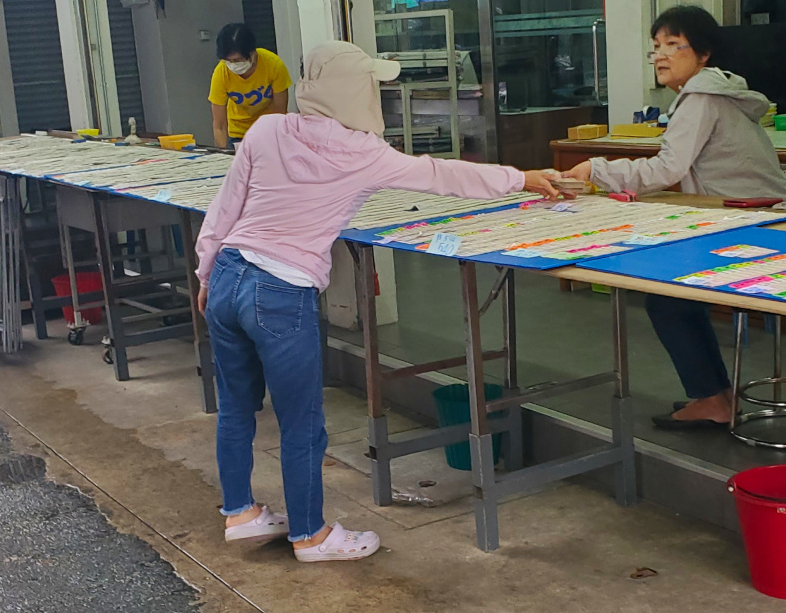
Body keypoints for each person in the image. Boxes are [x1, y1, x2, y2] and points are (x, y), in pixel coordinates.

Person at [195, 41, 559, 562]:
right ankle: (310, 536)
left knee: (235, 408)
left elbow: (225, 204)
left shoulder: (267, 129)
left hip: (229, 276)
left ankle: (240, 514)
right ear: (354, 91)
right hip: (280, 289)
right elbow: (443, 175)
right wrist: (520, 178)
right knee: (302, 423)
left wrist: (205, 270)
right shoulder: (365, 154)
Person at [561, 5, 786, 431]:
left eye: (673, 44)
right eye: (656, 47)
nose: (661, 55)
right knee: (675, 297)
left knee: (668, 300)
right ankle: (716, 396)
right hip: (761, 218)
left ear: (703, 54)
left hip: (756, 225)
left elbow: (666, 170)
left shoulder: (700, 97)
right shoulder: (711, 93)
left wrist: (595, 168)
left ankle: (713, 399)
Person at [208, 23, 290, 150]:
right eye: (228, 61)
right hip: (237, 134)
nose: (233, 65)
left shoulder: (273, 65)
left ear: (252, 53)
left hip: (268, 132)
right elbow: (219, 125)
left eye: (238, 60)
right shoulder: (221, 72)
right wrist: (223, 154)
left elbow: (280, 115)